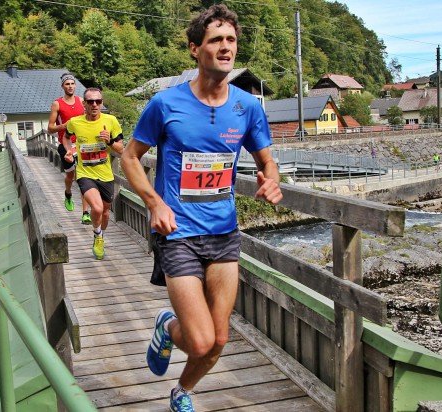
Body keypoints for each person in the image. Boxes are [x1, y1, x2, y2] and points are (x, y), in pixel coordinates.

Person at [120, 4, 283, 411]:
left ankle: (182, 392)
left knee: (220, 339)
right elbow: (128, 157)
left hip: (224, 233)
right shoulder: (165, 103)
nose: (226, 47)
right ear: (195, 49)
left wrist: (272, 179)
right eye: (216, 40)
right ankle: (167, 326)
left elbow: (267, 160)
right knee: (198, 339)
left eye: (231, 40)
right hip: (178, 234)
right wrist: (154, 202)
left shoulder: (247, 107)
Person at [65, 87, 124, 260]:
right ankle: (97, 234)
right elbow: (66, 137)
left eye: (98, 101)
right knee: (97, 208)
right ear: (84, 104)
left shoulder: (111, 121)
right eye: (90, 101)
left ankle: (100, 236)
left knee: (105, 212)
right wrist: (69, 151)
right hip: (85, 173)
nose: (94, 104)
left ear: (102, 103)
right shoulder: (75, 122)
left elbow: (121, 150)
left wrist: (110, 141)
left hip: (105, 174)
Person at [47, 72, 92, 224]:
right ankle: (68, 193)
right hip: (65, 144)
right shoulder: (57, 104)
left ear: (75, 85)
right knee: (70, 176)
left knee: (82, 178)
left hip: (81, 145)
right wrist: (64, 125)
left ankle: (86, 212)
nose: (70, 86)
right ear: (62, 86)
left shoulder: (81, 101)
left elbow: (88, 119)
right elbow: (50, 128)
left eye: (72, 83)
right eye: (67, 84)